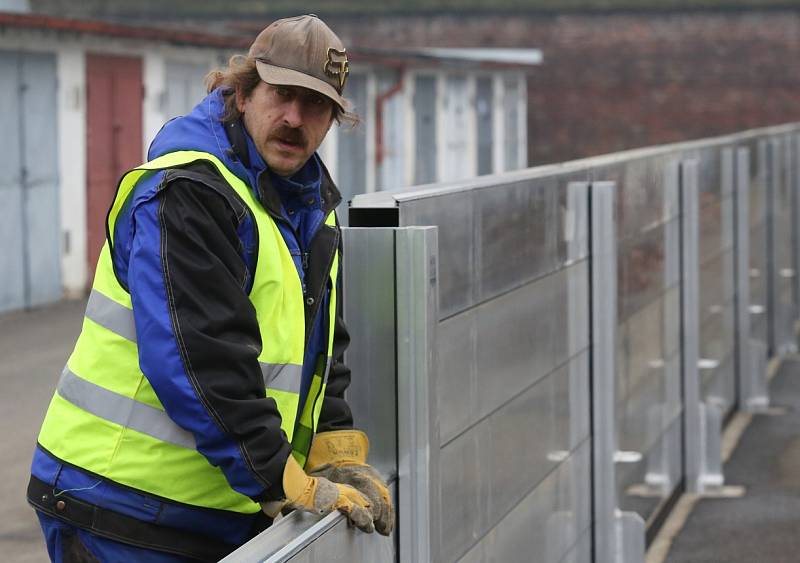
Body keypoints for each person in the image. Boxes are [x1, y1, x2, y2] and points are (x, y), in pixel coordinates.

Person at [27, 14, 393, 563]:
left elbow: (320, 355)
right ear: (242, 94)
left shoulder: (306, 212)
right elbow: (199, 360)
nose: (295, 118)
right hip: (118, 504)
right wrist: (280, 482)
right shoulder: (189, 192)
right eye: (283, 95)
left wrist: (334, 452)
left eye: (316, 105)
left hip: (209, 513)